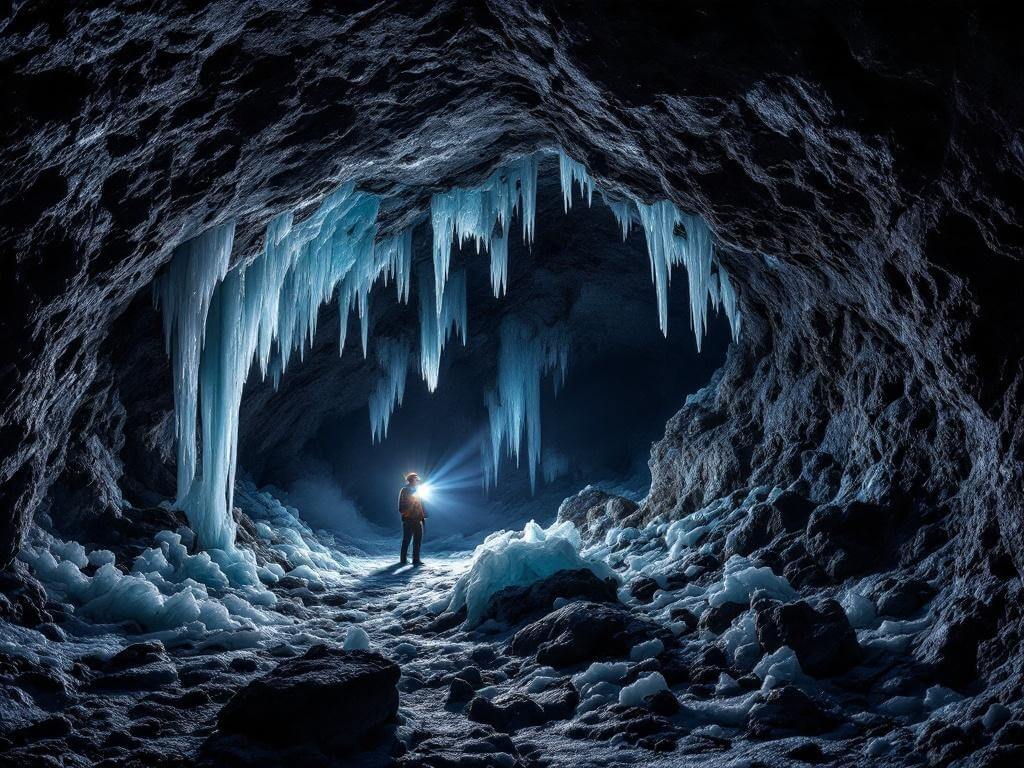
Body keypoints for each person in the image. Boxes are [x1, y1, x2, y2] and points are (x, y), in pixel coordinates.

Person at [398, 472, 426, 565]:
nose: (418, 481)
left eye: (418, 479)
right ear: (411, 480)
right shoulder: (404, 490)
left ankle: (416, 560)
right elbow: (401, 507)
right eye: (416, 479)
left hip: (417, 520)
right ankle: (403, 560)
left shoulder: (417, 491)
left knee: (417, 540)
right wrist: (408, 515)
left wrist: (422, 518)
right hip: (408, 520)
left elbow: (419, 506)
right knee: (407, 540)